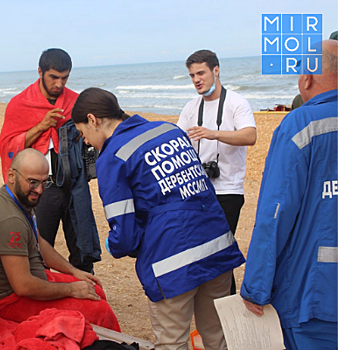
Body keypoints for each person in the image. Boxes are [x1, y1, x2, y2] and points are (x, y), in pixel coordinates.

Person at [71, 87, 245, 350]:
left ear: (93, 120)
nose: (85, 141)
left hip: (171, 262)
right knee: (217, 337)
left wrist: (113, 245)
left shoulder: (112, 158)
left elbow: (125, 235)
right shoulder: (169, 130)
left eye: (83, 132)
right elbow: (203, 189)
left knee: (172, 342)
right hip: (216, 246)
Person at [241, 40, 338, 350]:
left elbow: (275, 212)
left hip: (314, 293)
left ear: (307, 79)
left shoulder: (301, 125)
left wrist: (256, 286)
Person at [0, 148, 120, 331]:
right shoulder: (10, 221)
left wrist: (74, 272)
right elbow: (23, 286)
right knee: (100, 310)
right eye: (33, 182)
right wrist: (72, 289)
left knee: (94, 290)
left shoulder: (17, 197)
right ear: (11, 175)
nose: (39, 190)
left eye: (44, 182)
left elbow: (38, 241)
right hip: (7, 302)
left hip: (29, 282)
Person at [0, 48, 99, 273]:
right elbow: (8, 146)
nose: (59, 84)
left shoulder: (76, 102)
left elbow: (92, 135)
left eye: (65, 78)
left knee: (82, 249)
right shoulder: (20, 104)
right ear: (40, 71)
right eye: (54, 77)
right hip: (42, 187)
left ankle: (86, 301)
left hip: (75, 184)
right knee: (39, 250)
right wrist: (43, 126)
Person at [177, 49, 256, 294]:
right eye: (192, 75)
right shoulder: (191, 107)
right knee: (202, 253)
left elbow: (250, 136)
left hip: (228, 191)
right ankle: (215, 314)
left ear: (216, 70)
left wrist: (213, 133)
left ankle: (226, 312)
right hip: (198, 191)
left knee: (220, 255)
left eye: (201, 73)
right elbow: (176, 141)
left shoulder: (236, 102)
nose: (196, 79)